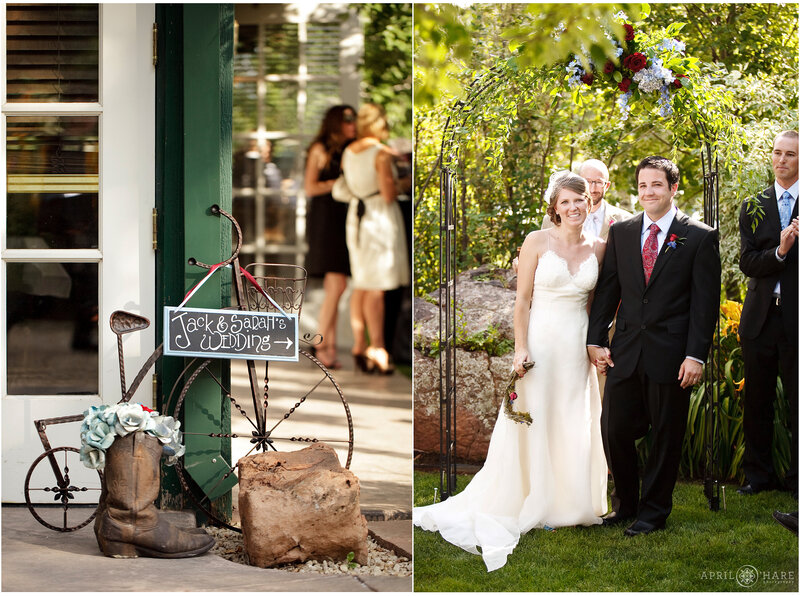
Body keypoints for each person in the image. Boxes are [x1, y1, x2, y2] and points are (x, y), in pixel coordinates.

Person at [414, 171, 609, 571]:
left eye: (580, 200)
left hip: (576, 344)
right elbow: (522, 302)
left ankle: (570, 505)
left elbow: (596, 305)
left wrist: (596, 346)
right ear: (554, 207)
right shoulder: (537, 242)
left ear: (590, 202)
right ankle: (532, 498)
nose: (573, 207)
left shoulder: (601, 247)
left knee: (573, 418)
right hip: (541, 338)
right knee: (535, 419)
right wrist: (521, 348)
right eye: (566, 201)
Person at [587, 156, 720, 536]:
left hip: (672, 355)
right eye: (643, 185)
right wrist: (596, 340)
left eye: (656, 185)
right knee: (613, 429)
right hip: (625, 351)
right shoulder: (623, 232)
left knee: (665, 434)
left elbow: (705, 304)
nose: (648, 192)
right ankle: (626, 505)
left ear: (673, 188)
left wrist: (695, 355)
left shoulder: (699, 236)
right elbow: (609, 290)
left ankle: (654, 511)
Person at [737, 130, 798, 496]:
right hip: (760, 318)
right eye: (777, 153)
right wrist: (780, 251)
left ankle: (797, 481)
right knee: (756, 401)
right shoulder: (753, 205)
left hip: (797, 320)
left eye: (790, 154)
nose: (781, 160)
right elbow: (746, 262)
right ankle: (758, 477)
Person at [341, 103, 410, 374]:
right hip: (378, 217)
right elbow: (389, 193)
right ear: (378, 124)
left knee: (361, 283)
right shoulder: (381, 153)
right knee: (376, 286)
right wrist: (403, 181)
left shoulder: (349, 151)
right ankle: (378, 347)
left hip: (356, 215)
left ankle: (360, 344)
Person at [304, 105, 357, 369]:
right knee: (336, 285)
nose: (352, 123)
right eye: (347, 119)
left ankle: (327, 342)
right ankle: (322, 343)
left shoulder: (352, 148)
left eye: (354, 118)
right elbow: (310, 187)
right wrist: (337, 184)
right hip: (325, 220)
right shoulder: (320, 149)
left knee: (339, 286)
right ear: (336, 122)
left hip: (345, 218)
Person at [542, 158, 632, 239]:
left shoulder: (625, 220)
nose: (592, 189)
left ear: (607, 186)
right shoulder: (550, 220)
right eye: (587, 181)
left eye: (599, 182)